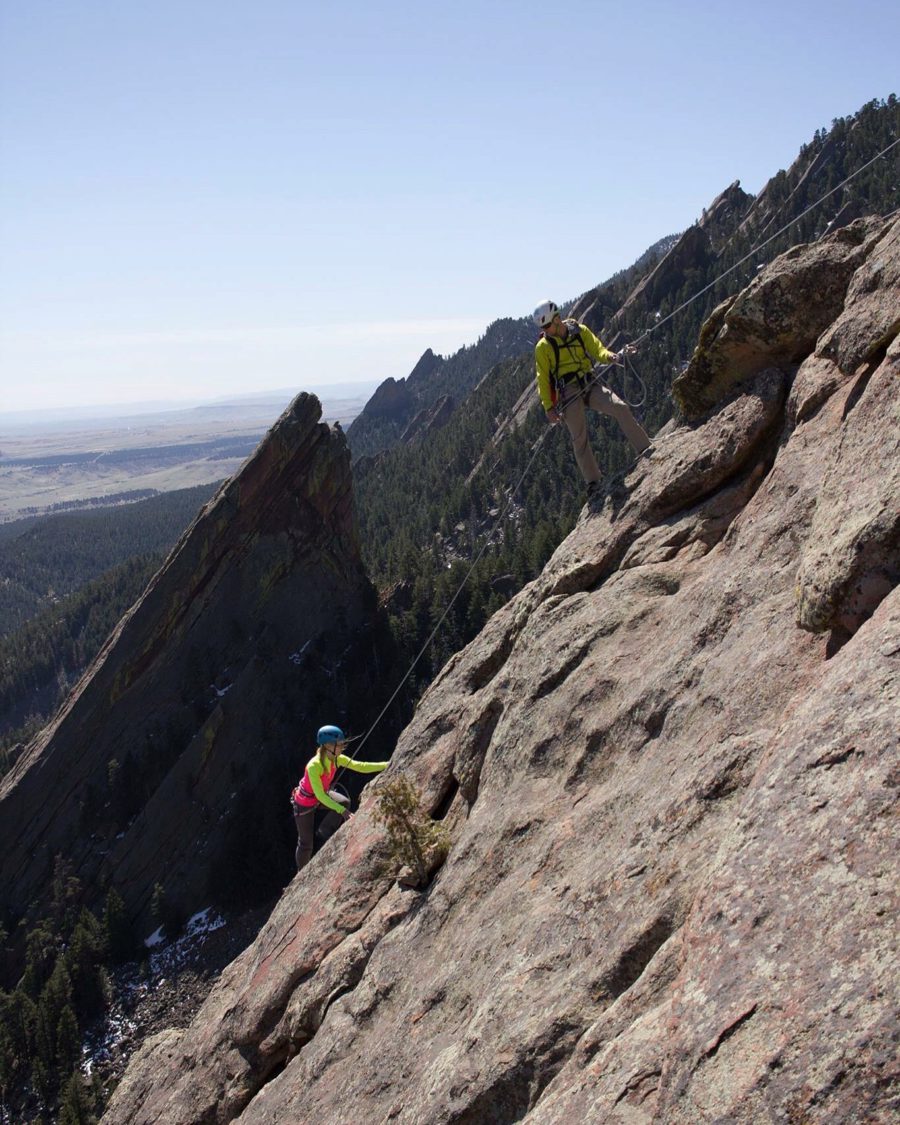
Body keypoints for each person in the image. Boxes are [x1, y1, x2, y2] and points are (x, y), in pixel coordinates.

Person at [533, 300, 652, 497]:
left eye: (547, 325)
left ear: (557, 318)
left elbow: (597, 349)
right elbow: (543, 379)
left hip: (589, 383)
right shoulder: (543, 347)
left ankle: (645, 448)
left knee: (620, 407)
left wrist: (611, 357)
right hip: (568, 392)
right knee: (579, 437)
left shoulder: (579, 330)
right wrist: (548, 407)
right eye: (542, 327)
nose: (546, 330)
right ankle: (594, 482)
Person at [291, 725, 388, 872]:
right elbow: (320, 796)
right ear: (328, 746)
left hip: (320, 795)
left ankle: (325, 831)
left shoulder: (337, 759)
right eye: (339, 744)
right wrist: (342, 811)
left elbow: (360, 766)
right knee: (306, 844)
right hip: (304, 803)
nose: (342, 747)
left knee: (344, 802)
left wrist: (386, 765)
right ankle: (301, 873)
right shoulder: (314, 766)